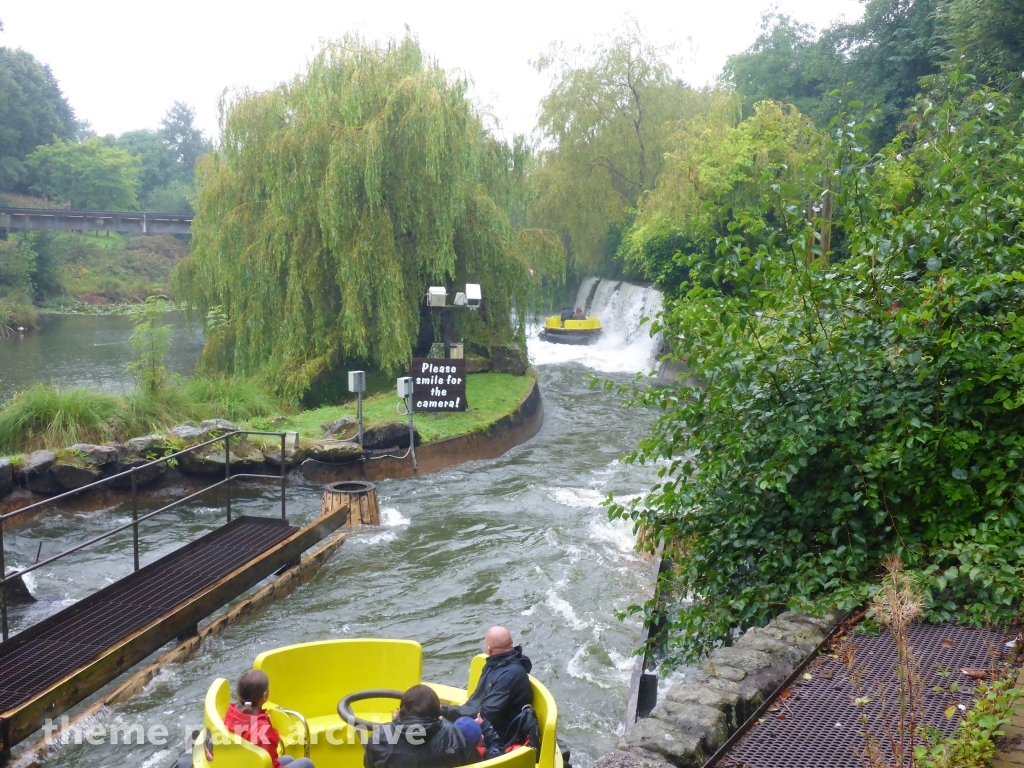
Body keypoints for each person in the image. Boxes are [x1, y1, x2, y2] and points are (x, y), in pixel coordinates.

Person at [441, 627, 533, 739]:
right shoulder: (493, 664)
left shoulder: (511, 675)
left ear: (489, 650)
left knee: (434, 735)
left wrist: (443, 710)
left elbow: (485, 714)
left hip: (495, 735)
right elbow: (475, 700)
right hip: (478, 721)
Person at [364, 685, 479, 768]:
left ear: (401, 711)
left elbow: (369, 764)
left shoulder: (380, 736)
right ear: (438, 713)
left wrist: (394, 726)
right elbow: (476, 763)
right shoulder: (455, 735)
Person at [222, 669, 315, 768]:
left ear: (238, 694)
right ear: (265, 695)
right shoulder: (263, 730)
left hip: (245, 764)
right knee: (307, 763)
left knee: (288, 759)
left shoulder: (231, 714)